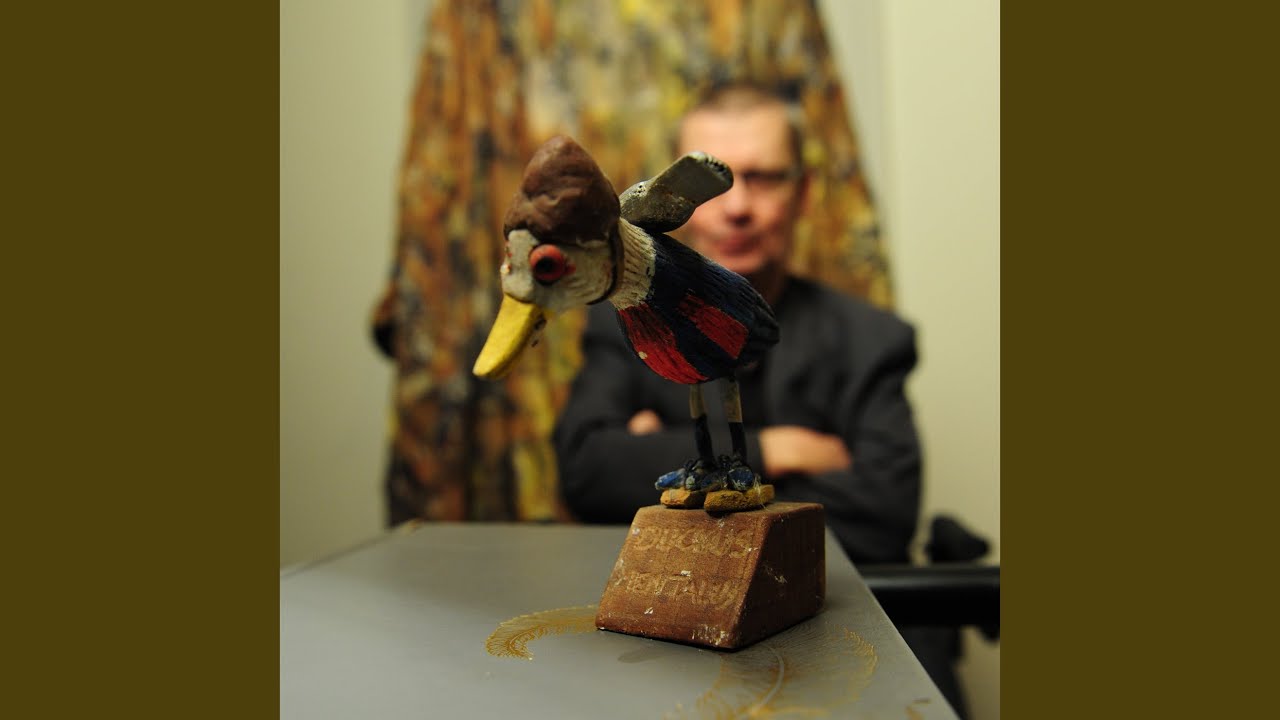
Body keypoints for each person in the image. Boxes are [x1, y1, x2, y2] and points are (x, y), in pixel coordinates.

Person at [553, 82, 968, 717]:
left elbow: (884, 514)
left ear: (803, 193)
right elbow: (585, 471)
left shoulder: (871, 340)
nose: (738, 207)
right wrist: (781, 450)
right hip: (666, 662)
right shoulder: (624, 328)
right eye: (712, 186)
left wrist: (663, 471)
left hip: (842, 651)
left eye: (765, 178)